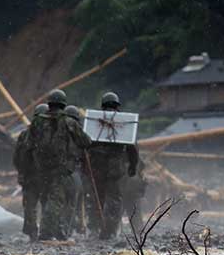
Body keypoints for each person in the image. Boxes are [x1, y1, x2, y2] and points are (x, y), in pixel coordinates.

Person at [26, 89, 91, 241]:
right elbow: (86, 141)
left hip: (41, 168)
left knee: (46, 198)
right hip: (60, 168)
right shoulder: (69, 122)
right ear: (63, 104)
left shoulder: (38, 121)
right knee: (56, 200)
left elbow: (29, 144)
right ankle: (47, 233)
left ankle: (54, 231)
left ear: (49, 103)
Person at [84, 91, 139, 240]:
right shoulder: (123, 123)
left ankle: (94, 229)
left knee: (97, 198)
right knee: (113, 199)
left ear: (103, 105)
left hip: (97, 168)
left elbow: (85, 145)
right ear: (117, 106)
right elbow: (132, 148)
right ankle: (109, 231)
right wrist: (133, 166)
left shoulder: (94, 122)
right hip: (115, 169)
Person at [13, 104, 48, 240]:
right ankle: (46, 232)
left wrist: (22, 171)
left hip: (29, 175)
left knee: (30, 205)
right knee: (46, 203)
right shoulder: (50, 134)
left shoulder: (25, 134)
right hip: (45, 175)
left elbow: (17, 157)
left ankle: (32, 232)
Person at [64, 104, 87, 235]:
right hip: (74, 171)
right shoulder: (78, 133)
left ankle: (67, 228)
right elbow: (87, 143)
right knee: (74, 202)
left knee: (62, 202)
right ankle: (69, 228)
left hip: (60, 171)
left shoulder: (57, 130)